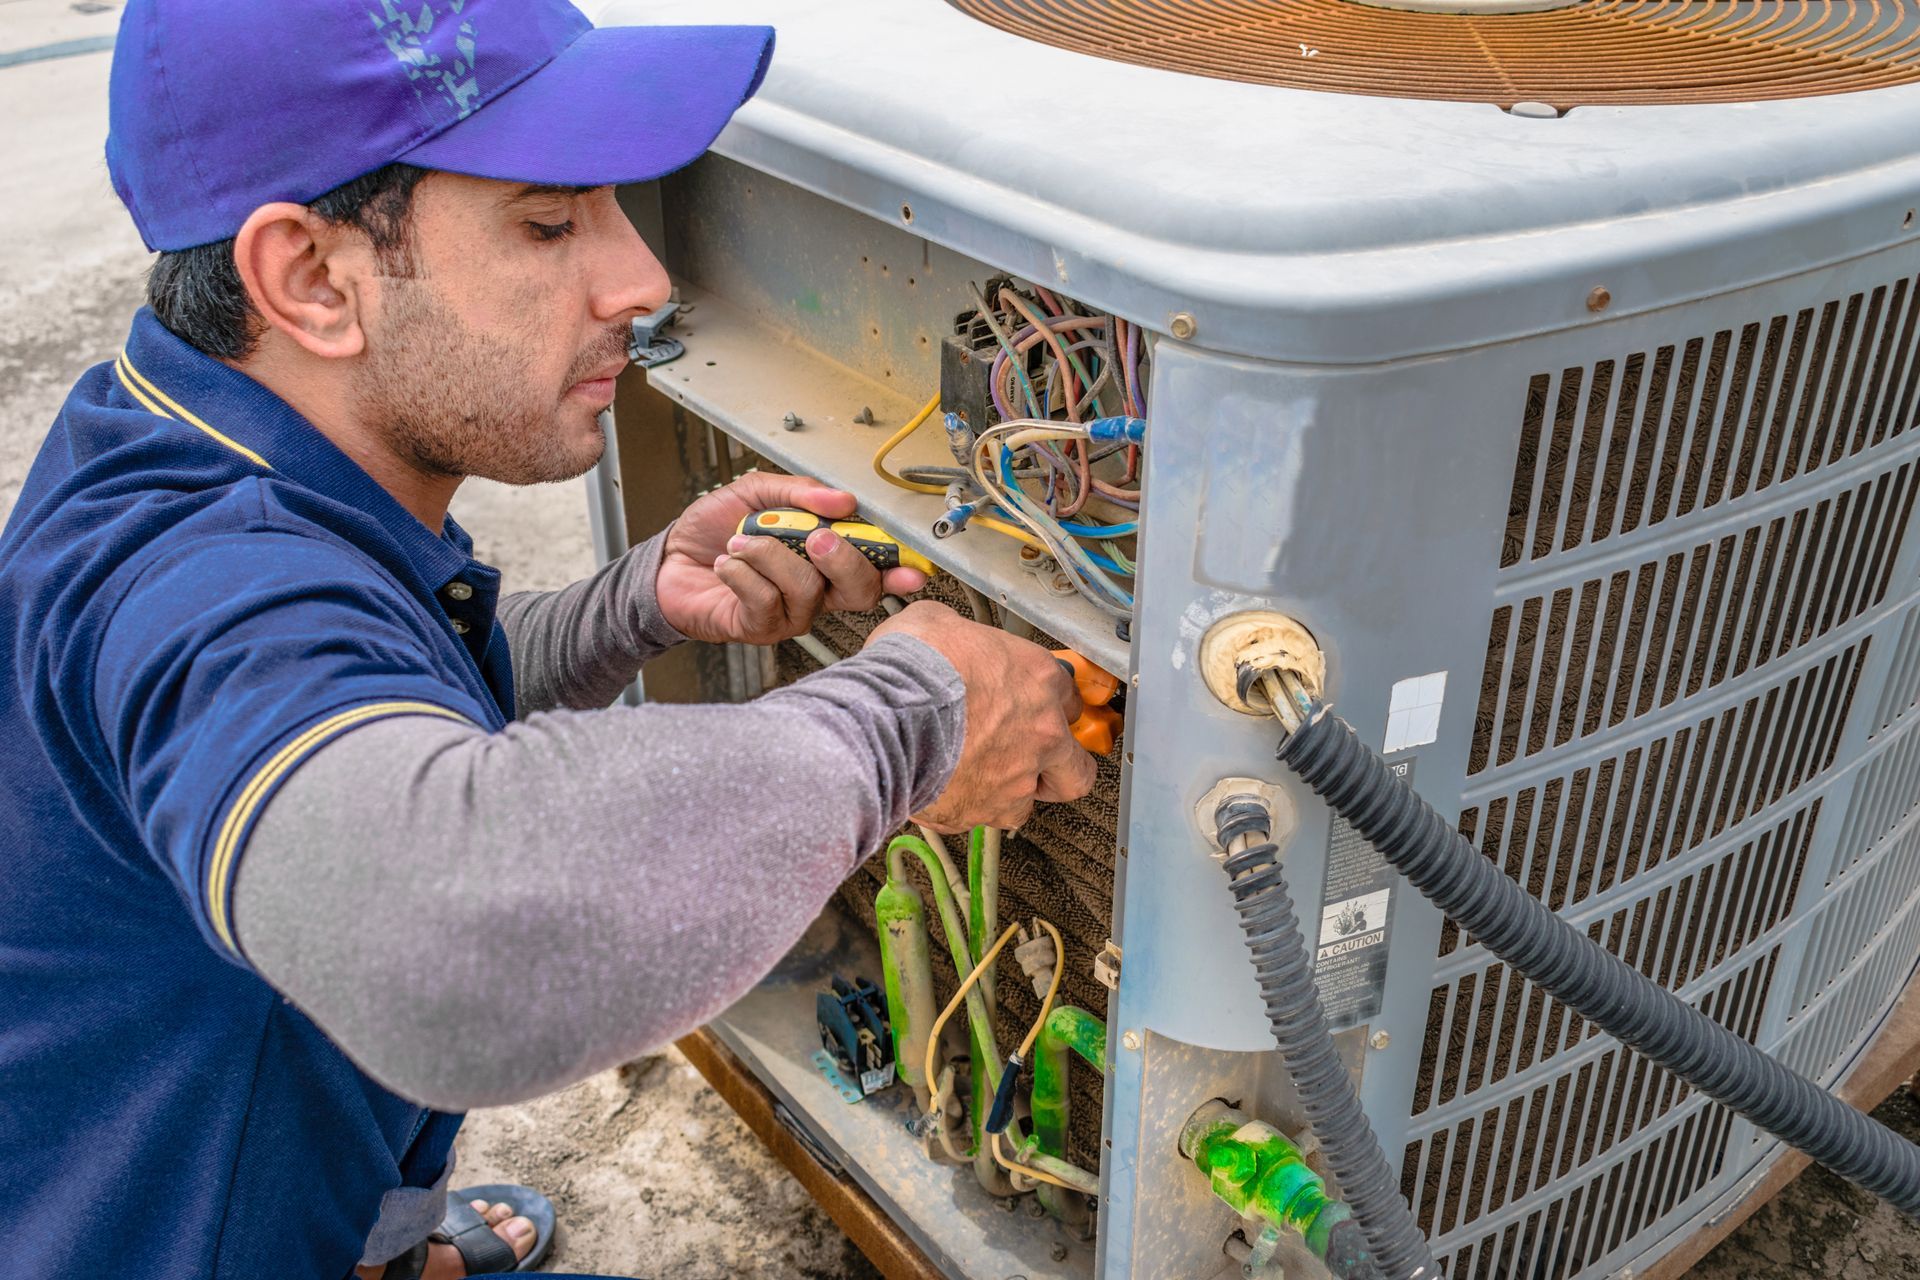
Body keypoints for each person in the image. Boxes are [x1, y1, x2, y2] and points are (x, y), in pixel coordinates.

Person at [0, 3, 1097, 1278]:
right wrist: (912, 722)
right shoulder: (194, 579)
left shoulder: (182, 430)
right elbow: (442, 934)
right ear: (308, 278)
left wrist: (618, 612)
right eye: (547, 219)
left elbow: (375, 679)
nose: (641, 281)